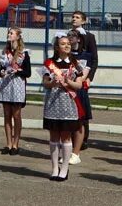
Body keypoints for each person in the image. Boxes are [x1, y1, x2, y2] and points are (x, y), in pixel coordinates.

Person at [42, 33, 85, 181]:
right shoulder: (49, 63)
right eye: (63, 43)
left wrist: (68, 82)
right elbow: (45, 82)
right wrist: (52, 83)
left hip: (68, 103)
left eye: (68, 43)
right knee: (53, 136)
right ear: (56, 46)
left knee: (66, 136)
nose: (66, 45)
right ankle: (54, 168)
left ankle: (64, 169)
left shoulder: (76, 63)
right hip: (53, 102)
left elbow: (79, 85)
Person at [69, 10, 98, 164]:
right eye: (73, 17)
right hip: (70, 77)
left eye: (77, 17)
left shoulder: (89, 36)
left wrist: (90, 78)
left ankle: (83, 139)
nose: (74, 19)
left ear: (84, 21)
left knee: (82, 110)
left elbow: (94, 59)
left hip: (83, 75)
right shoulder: (67, 35)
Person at [0, 26, 31, 156]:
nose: (9, 35)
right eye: (9, 33)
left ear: (17, 36)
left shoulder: (24, 53)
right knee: (7, 115)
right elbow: (0, 71)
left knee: (16, 115)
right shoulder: (4, 52)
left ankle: (16, 144)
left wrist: (18, 71)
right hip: (6, 85)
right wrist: (2, 72)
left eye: (11, 33)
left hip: (17, 85)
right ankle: (8, 143)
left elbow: (28, 72)